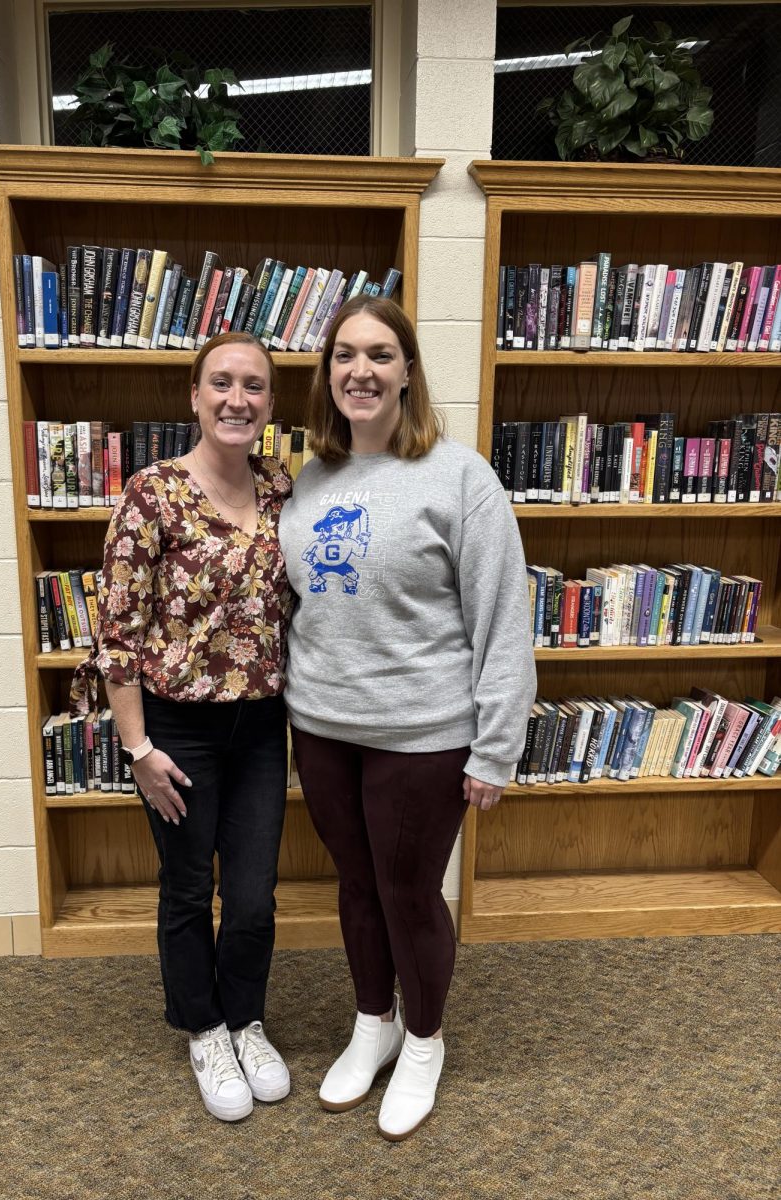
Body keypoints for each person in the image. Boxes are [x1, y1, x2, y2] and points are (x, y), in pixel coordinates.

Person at [278, 297, 536, 1141]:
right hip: (321, 727)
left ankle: (423, 1041)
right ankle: (372, 1022)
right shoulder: (311, 476)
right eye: (345, 355)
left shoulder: (462, 478)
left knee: (408, 892)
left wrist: (495, 747)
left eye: (381, 355)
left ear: (408, 372)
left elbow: (501, 615)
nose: (362, 371)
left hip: (421, 735)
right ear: (327, 374)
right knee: (355, 887)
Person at [71, 332, 292, 1123]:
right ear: (194, 397)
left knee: (258, 893)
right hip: (176, 730)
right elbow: (118, 633)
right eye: (222, 383)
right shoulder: (150, 493)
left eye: (255, 386)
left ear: (271, 402)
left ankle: (246, 1017)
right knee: (191, 887)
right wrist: (138, 751)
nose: (239, 399)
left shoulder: (280, 485)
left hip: (263, 723)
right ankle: (203, 1026)